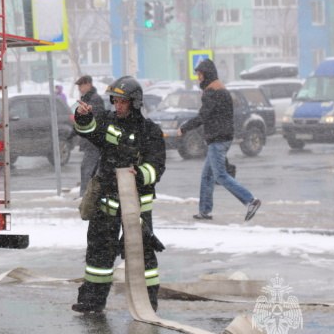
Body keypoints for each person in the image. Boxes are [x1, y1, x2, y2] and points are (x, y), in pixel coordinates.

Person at [70, 76, 166, 314]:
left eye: (123, 102)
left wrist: (140, 174)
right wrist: (83, 116)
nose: (118, 106)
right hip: (106, 202)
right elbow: (88, 131)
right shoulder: (107, 121)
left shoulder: (150, 131)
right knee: (99, 254)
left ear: (134, 102)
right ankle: (92, 301)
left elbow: (157, 166)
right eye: (115, 101)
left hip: (136, 208)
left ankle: (148, 303)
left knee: (142, 257)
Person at [178, 59, 262, 222]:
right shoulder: (220, 89)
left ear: (207, 75)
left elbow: (203, 116)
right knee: (207, 176)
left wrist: (184, 128)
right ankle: (205, 211)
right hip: (222, 136)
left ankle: (250, 201)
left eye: (200, 75)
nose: (198, 78)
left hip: (218, 139)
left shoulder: (212, 92)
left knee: (221, 175)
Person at [75, 75, 105, 196]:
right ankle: (89, 195)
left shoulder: (94, 99)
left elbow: (96, 118)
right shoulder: (88, 98)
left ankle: (85, 196)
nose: (79, 89)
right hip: (91, 140)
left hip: (93, 141)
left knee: (87, 168)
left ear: (88, 84)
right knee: (92, 169)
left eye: (81, 85)